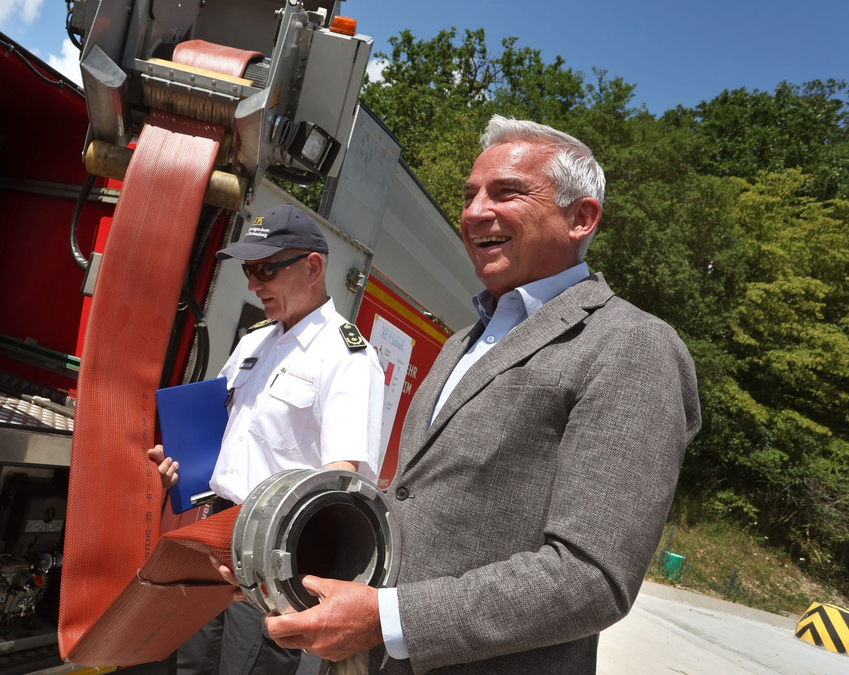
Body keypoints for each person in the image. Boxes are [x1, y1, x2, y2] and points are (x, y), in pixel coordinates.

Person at [255, 115, 703, 675]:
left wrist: (389, 620)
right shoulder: (462, 342)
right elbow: (419, 503)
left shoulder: (632, 345)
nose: (473, 213)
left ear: (581, 218)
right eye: (469, 196)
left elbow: (592, 576)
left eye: (507, 192)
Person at [149, 202, 386, 675]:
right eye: (248, 270)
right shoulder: (254, 341)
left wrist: (286, 579)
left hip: (270, 554)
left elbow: (340, 482)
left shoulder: (347, 357)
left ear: (312, 268)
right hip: (214, 533)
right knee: (190, 666)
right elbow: (225, 435)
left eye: (265, 270)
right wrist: (180, 464)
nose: (253, 285)